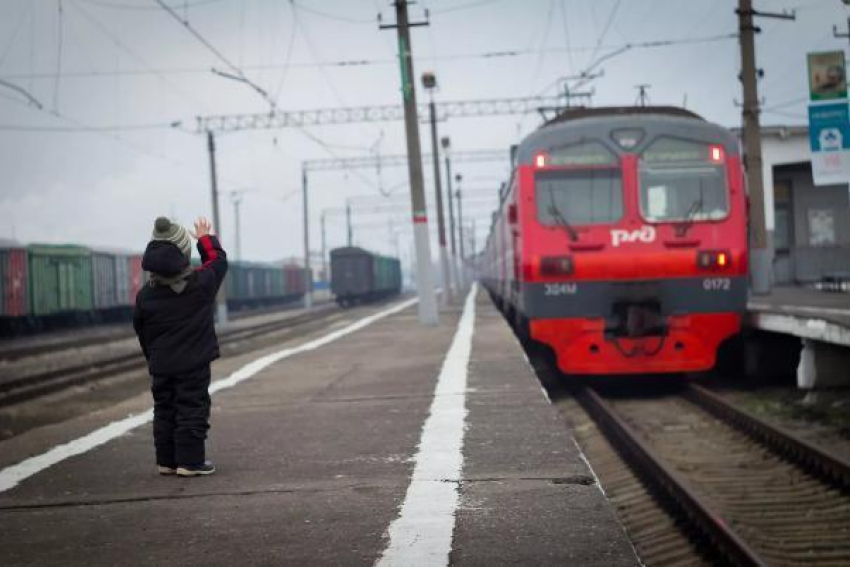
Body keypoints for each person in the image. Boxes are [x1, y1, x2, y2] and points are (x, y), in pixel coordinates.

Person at [133, 216, 228, 477]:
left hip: (161, 365)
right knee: (192, 408)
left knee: (164, 409)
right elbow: (218, 261)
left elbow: (141, 331)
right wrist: (205, 239)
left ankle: (166, 461)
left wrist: (154, 357)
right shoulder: (200, 284)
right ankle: (190, 462)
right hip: (193, 364)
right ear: (183, 252)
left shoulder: (145, 295)